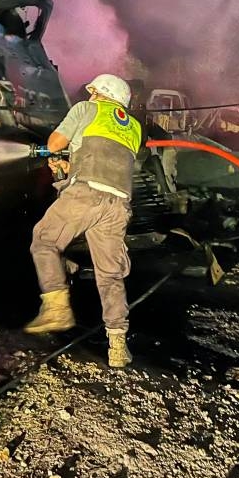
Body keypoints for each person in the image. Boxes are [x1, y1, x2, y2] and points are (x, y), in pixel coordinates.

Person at [23, 74, 142, 368]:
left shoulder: (85, 110)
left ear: (101, 93)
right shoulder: (135, 127)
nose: (89, 95)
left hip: (86, 194)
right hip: (118, 204)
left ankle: (56, 305)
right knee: (110, 274)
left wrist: (55, 154)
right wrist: (67, 167)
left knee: (44, 241)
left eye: (93, 92)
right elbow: (106, 158)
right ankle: (117, 346)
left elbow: (54, 143)